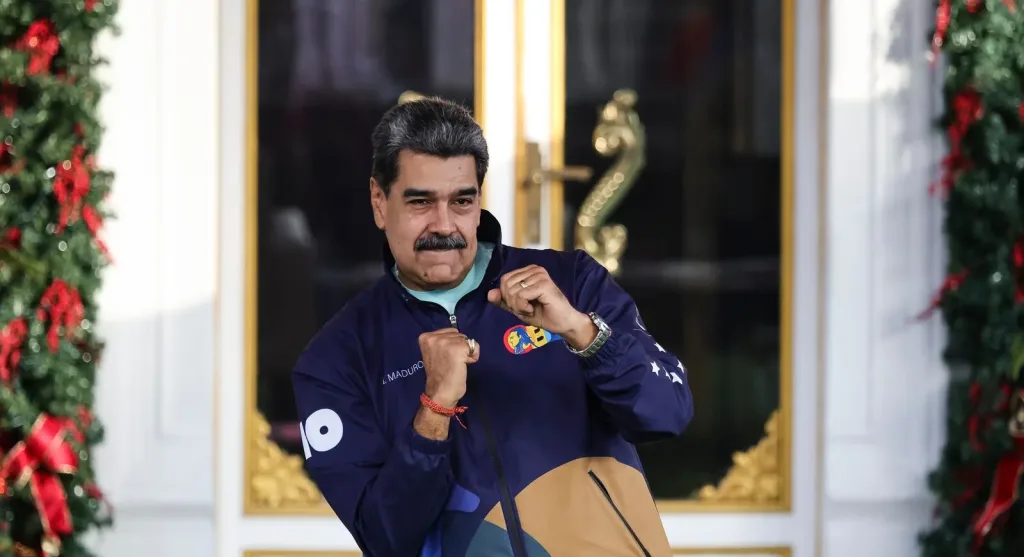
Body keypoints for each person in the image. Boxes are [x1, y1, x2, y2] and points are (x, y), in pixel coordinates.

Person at [292, 97, 694, 557]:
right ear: (379, 202)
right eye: (421, 202)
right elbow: (385, 539)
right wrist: (434, 409)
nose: (444, 225)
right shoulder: (336, 358)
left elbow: (668, 413)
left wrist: (582, 333)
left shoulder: (573, 282)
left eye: (462, 201)